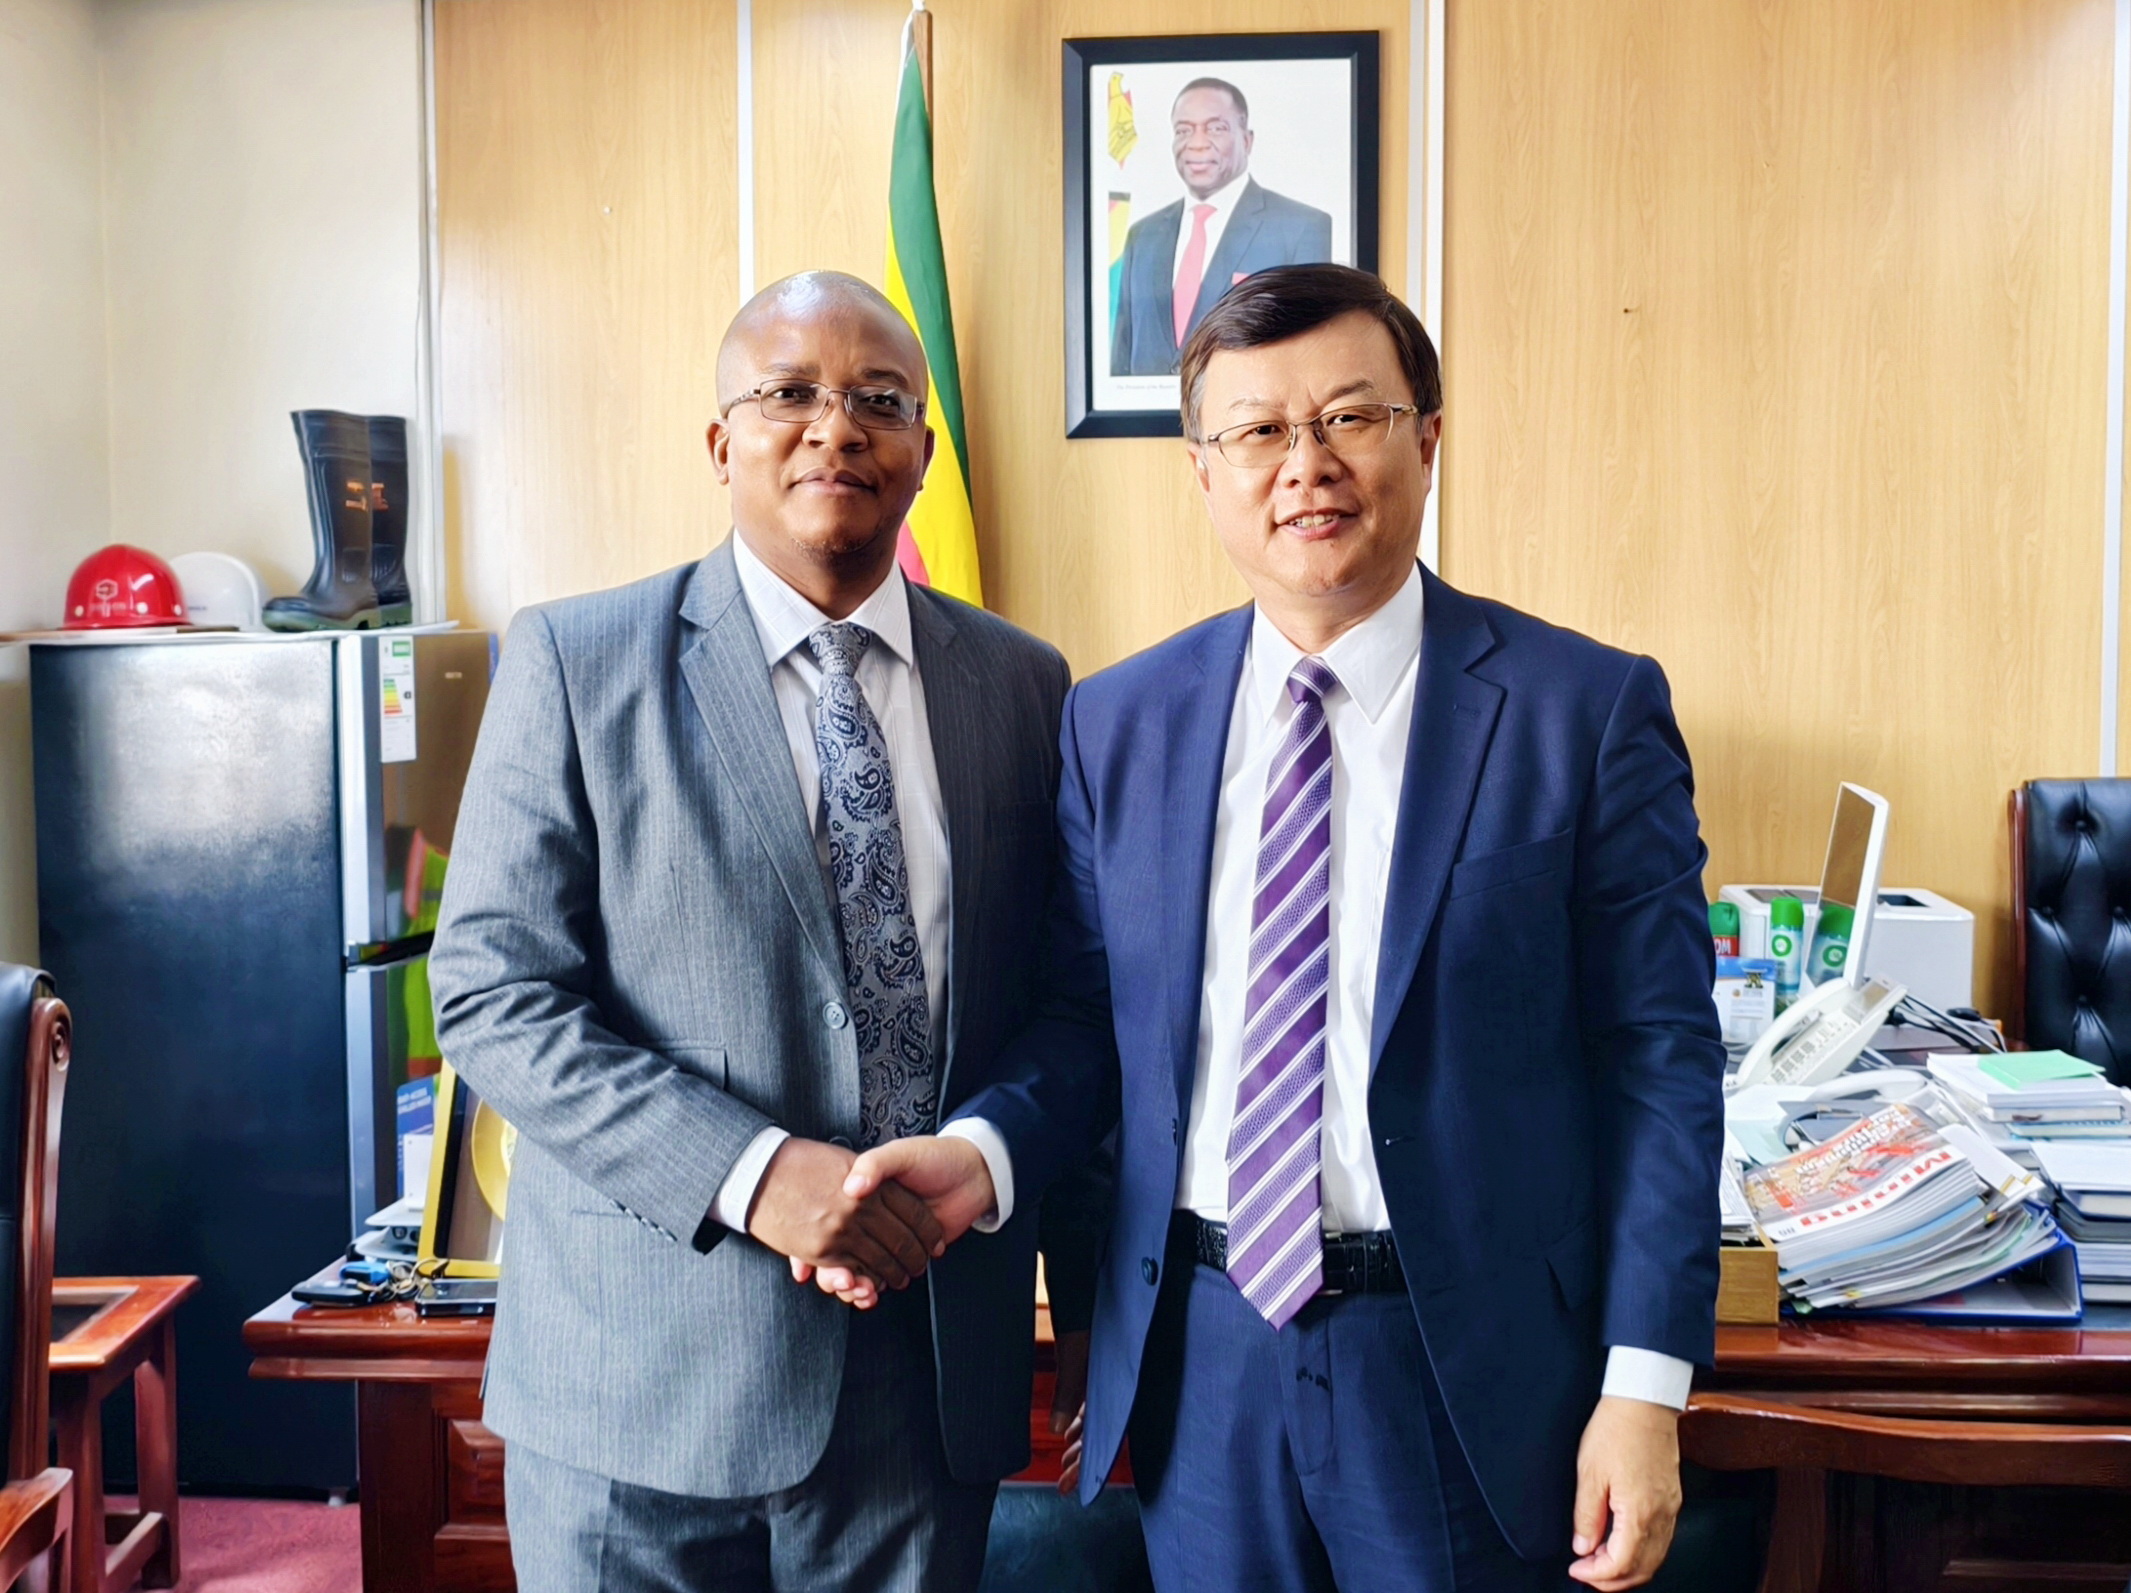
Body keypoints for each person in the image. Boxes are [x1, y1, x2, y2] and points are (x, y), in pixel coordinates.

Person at [843, 264, 1726, 1591]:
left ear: (1427, 438)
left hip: (1466, 1362)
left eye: (1350, 418)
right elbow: (1087, 1024)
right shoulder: (1117, 722)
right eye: (1257, 430)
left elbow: (1659, 1060)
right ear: (1203, 471)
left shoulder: (1581, 712)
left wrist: (1644, 1386)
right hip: (1203, 1358)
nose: (1305, 464)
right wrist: (984, 1154)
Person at [429, 270, 1082, 1592]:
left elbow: (1069, 1000)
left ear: (922, 452)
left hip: (919, 1379)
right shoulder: (576, 661)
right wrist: (753, 1172)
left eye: (878, 402)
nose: (835, 428)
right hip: (640, 1382)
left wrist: (986, 1160)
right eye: (789, 393)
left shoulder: (1023, 682)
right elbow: (494, 993)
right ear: (721, 442)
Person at [1111, 77, 1335, 377]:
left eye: (1215, 128)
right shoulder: (1142, 236)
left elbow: (1312, 357)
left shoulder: (1301, 228)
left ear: (1247, 140)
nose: (1197, 143)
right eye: (1183, 130)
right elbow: (1122, 360)